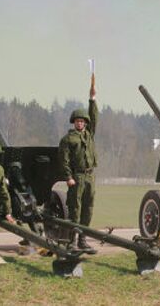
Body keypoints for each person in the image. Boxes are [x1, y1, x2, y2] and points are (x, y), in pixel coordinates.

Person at [59, 78, 98, 250]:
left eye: (83, 121)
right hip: (77, 177)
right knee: (75, 209)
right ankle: (72, 241)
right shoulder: (68, 139)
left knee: (88, 210)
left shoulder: (89, 135)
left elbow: (94, 116)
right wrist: (68, 177)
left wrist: (92, 99)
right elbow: (64, 160)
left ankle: (83, 240)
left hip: (90, 176)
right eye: (78, 121)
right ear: (74, 122)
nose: (80, 123)